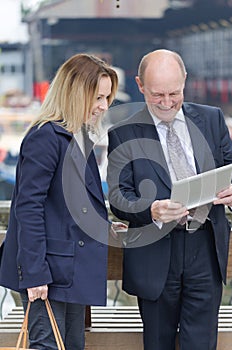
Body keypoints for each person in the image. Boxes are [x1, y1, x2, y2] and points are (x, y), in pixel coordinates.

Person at [107, 49, 232, 350]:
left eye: (175, 93)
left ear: (185, 81)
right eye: (157, 94)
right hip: (155, 254)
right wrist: (152, 210)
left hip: (205, 250)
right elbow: (118, 199)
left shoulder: (212, 119)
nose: (167, 102)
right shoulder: (123, 133)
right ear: (140, 85)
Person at [0, 53, 126, 350]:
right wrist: (34, 275)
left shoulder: (77, 136)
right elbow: (28, 208)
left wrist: (103, 225)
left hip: (69, 270)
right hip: (47, 273)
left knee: (71, 345)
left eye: (107, 98)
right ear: (74, 93)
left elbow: (69, 204)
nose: (103, 106)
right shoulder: (45, 138)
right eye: (97, 97)